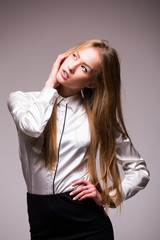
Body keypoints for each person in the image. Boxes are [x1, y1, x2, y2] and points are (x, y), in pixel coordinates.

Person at [7, 39, 150, 240]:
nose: (72, 66)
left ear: (92, 82)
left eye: (84, 67)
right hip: (41, 224)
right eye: (75, 56)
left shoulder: (97, 118)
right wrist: (50, 84)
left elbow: (139, 170)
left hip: (88, 225)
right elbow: (32, 127)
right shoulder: (22, 99)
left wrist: (108, 197)